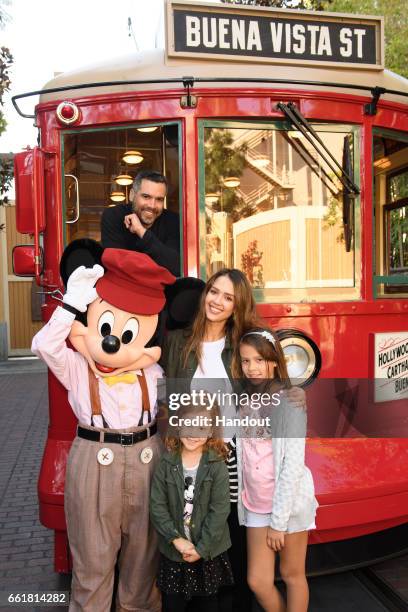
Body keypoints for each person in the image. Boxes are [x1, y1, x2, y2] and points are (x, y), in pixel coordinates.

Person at [32, 243, 175, 612]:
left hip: (148, 459)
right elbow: (44, 346)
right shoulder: (77, 366)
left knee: (144, 564)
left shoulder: (153, 370)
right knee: (93, 564)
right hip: (96, 458)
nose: (113, 343)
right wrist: (71, 303)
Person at [160, 268, 306, 612]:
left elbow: (268, 379)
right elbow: (167, 398)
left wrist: (292, 391)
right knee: (188, 533)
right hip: (190, 453)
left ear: (237, 305)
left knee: (234, 543)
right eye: (214, 291)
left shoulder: (243, 342)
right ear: (205, 293)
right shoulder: (179, 341)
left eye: (228, 297)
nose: (217, 301)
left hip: (232, 454)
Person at [233, 327, 318, 612]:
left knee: (292, 575)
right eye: (246, 361)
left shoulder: (289, 402)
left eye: (259, 360)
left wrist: (279, 523)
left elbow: (292, 467)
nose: (252, 368)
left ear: (273, 360)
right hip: (256, 504)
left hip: (288, 505)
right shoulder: (244, 399)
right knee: (258, 581)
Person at [150, 401, 233, 612]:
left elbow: (220, 511)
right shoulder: (166, 465)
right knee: (172, 605)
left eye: (202, 427)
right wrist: (176, 539)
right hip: (175, 552)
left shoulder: (217, 466)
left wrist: (201, 549)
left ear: (211, 431)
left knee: (207, 605)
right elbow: (157, 506)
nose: (194, 433)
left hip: (207, 552)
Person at [101, 170, 180, 276]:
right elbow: (115, 266)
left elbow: (176, 267)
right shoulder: (114, 216)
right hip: (123, 288)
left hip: (161, 290)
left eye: (159, 199)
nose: (152, 205)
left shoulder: (173, 221)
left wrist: (141, 232)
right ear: (132, 195)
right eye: (146, 197)